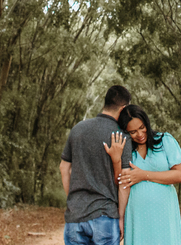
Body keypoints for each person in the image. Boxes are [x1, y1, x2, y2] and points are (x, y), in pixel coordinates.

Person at [60, 85, 133, 245]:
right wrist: (121, 217)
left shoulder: (77, 129)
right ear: (123, 108)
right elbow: (124, 183)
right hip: (106, 216)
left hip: (75, 216)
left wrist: (73, 201)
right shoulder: (122, 136)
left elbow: (64, 168)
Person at [107, 104, 181, 245]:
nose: (140, 134)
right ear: (125, 132)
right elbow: (121, 184)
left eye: (142, 127)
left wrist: (144, 175)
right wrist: (120, 217)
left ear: (147, 123)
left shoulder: (164, 141)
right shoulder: (126, 151)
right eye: (132, 132)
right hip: (137, 218)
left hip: (164, 214)